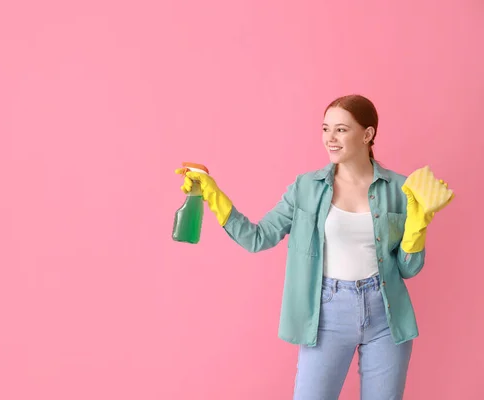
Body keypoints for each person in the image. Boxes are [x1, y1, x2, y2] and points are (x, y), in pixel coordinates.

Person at [175, 94, 450, 399]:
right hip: (327, 313)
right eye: (325, 128)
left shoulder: (401, 189)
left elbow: (408, 268)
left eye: (341, 130)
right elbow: (258, 238)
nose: (330, 139)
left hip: (386, 314)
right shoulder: (305, 188)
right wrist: (214, 195)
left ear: (367, 134)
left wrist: (419, 223)